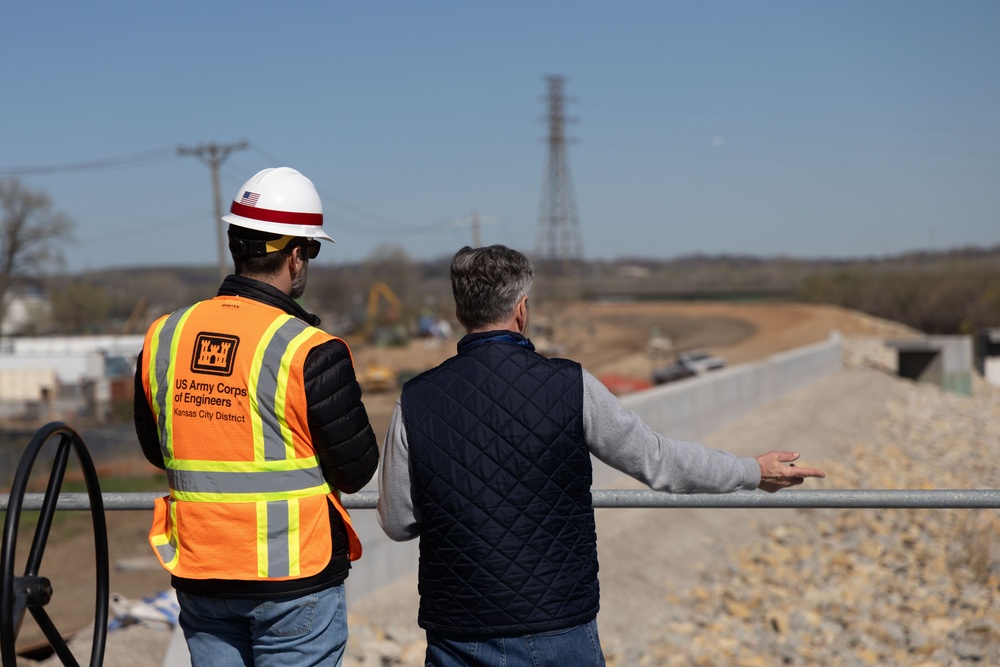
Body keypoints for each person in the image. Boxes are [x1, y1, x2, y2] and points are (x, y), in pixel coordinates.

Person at [377, 244, 825, 667]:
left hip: (459, 633)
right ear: (521, 309)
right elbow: (660, 462)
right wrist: (752, 470)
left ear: (459, 314)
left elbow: (397, 522)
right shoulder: (572, 386)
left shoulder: (415, 399)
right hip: (559, 624)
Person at [133, 167, 379, 666]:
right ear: (294, 255)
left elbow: (159, 450)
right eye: (310, 250)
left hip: (203, 571)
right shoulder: (311, 350)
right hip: (294, 581)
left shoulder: (164, 336)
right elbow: (356, 472)